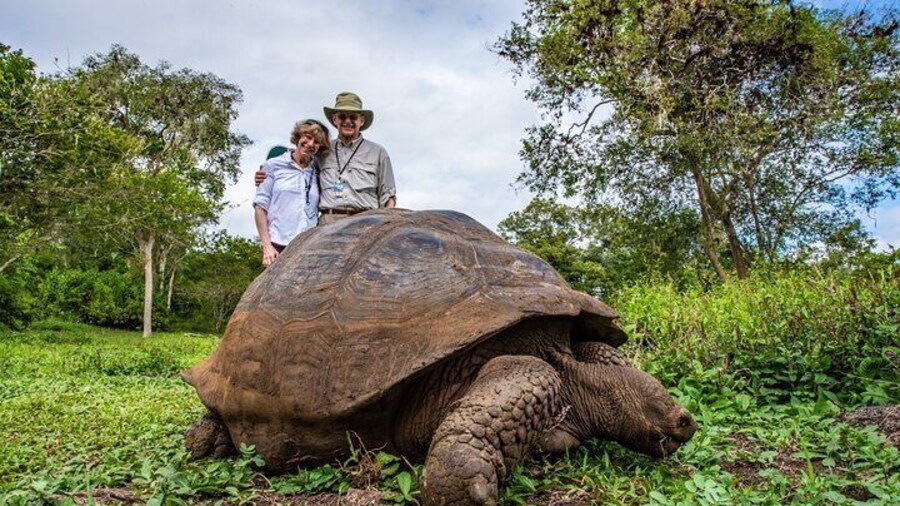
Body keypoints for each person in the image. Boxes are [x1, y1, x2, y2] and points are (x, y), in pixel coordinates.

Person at [255, 92, 396, 225]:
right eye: (342, 117)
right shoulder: (321, 150)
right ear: (335, 119)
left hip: (366, 220)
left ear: (361, 121)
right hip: (328, 222)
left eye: (353, 117)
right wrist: (267, 173)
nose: (348, 121)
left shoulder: (378, 152)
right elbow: (297, 162)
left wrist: (384, 226)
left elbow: (388, 196)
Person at [253, 120, 330, 267]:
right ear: (298, 137)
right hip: (278, 244)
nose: (310, 144)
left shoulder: (318, 171)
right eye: (307, 137)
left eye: (317, 142)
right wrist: (267, 247)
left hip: (308, 245)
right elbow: (260, 208)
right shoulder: (273, 165)